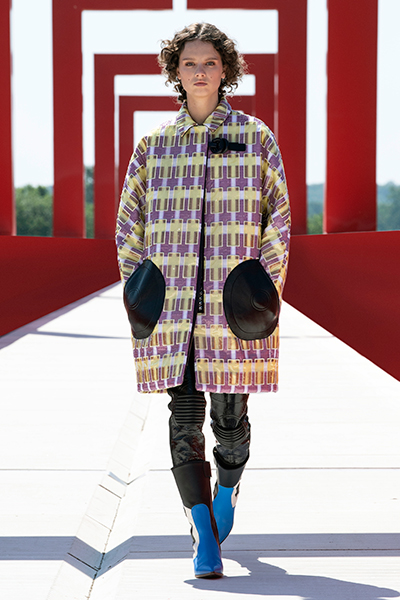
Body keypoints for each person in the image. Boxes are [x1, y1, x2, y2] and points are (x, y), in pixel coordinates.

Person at [115, 22, 291, 579]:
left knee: (230, 419)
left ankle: (227, 490)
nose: (199, 72)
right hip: (172, 308)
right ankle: (202, 531)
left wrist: (261, 288)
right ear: (175, 72)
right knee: (184, 414)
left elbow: (279, 220)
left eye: (209, 62)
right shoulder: (154, 146)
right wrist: (141, 288)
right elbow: (128, 225)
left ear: (225, 70)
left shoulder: (255, 137)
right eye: (189, 63)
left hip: (231, 306)